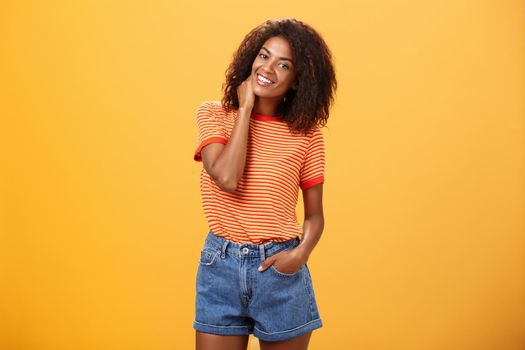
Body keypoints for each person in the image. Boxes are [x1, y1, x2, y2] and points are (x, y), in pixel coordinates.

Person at [192, 18, 337, 350]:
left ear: (298, 80)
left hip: (280, 270)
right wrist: (244, 109)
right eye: (264, 55)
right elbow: (227, 177)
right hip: (221, 266)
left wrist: (300, 254)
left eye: (283, 64)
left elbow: (315, 215)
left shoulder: (307, 135)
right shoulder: (214, 114)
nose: (268, 68)